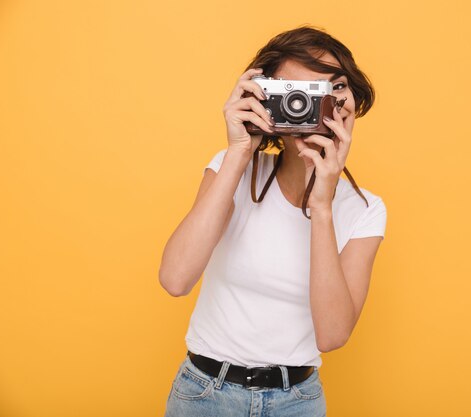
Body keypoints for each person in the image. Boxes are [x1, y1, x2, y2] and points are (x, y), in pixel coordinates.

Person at [159, 25, 387, 417]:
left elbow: (333, 334)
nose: (308, 104)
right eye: (295, 94)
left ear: (348, 102)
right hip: (204, 394)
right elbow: (175, 279)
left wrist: (323, 205)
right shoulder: (233, 171)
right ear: (264, 100)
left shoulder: (365, 209)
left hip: (297, 401)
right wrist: (238, 151)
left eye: (328, 91)